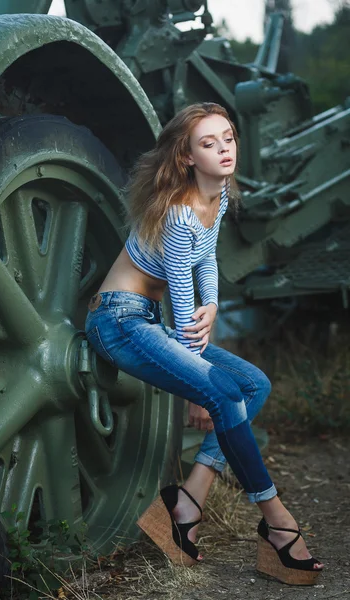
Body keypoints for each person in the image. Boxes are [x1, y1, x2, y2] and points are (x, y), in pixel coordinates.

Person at [84, 102, 324, 585]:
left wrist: (212, 307)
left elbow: (206, 262)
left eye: (228, 138)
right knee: (225, 393)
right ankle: (278, 524)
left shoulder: (217, 195)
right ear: (188, 156)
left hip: (152, 324)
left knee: (253, 385)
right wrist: (198, 384)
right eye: (208, 143)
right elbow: (177, 289)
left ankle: (188, 501)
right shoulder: (178, 210)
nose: (224, 149)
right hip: (119, 320)